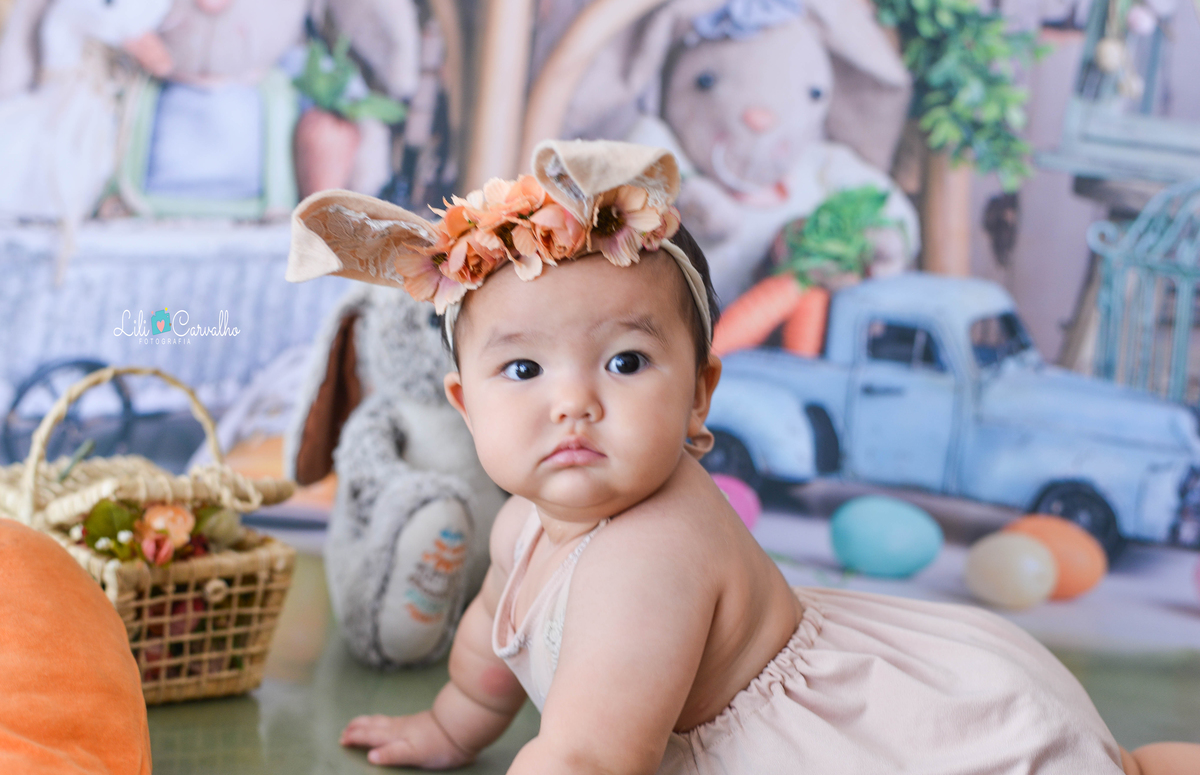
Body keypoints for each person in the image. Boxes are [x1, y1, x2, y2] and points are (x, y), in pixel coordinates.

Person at [287, 139, 1200, 774]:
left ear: (700, 394)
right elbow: (492, 639)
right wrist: (454, 727)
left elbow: (592, 758)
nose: (574, 401)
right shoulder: (527, 521)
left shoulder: (649, 553)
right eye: (521, 368)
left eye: (627, 361)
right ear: (466, 405)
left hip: (889, 742)